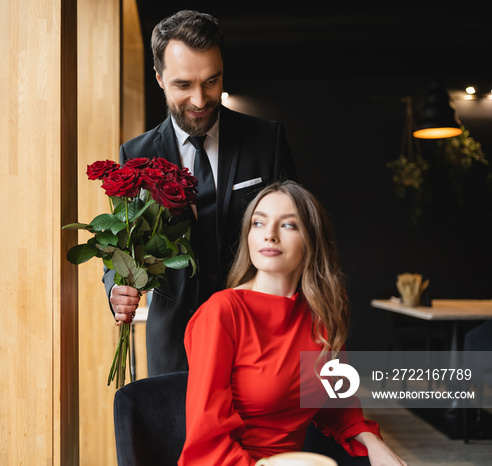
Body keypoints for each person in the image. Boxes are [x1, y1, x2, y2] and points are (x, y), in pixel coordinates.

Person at [104, 10, 297, 376]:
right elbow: (121, 244)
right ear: (159, 78)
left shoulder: (267, 141)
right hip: (174, 347)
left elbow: (298, 234)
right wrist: (117, 287)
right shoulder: (136, 155)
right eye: (183, 85)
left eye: (211, 81)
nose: (199, 99)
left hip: (258, 338)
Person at [178, 181, 407, 465]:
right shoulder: (222, 313)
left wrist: (372, 442)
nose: (269, 235)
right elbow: (207, 442)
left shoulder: (321, 313)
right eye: (258, 223)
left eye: (288, 225)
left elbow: (335, 403)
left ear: (312, 239)